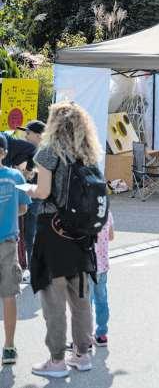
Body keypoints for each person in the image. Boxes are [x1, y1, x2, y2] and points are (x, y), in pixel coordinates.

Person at [27, 102, 101, 376]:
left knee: (54, 299)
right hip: (81, 235)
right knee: (80, 297)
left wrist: (30, 189)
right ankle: (82, 354)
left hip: (53, 233)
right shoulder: (88, 153)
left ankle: (57, 360)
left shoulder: (48, 151)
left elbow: (43, 191)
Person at [0, 134, 31, 365]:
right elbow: (23, 208)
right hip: (8, 243)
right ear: (4, 152)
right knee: (9, 295)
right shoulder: (16, 176)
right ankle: (9, 347)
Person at [16, 120, 45, 282]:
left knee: (31, 234)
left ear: (39, 135)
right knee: (28, 234)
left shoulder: (45, 153)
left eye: (28, 133)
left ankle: (36, 271)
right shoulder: (28, 151)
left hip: (37, 199)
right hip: (29, 197)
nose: (25, 136)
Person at [90, 213, 113, 346]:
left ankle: (85, 337)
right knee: (102, 300)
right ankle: (102, 334)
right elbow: (111, 236)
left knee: (85, 303)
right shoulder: (107, 212)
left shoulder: (83, 212)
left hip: (87, 265)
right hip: (102, 265)